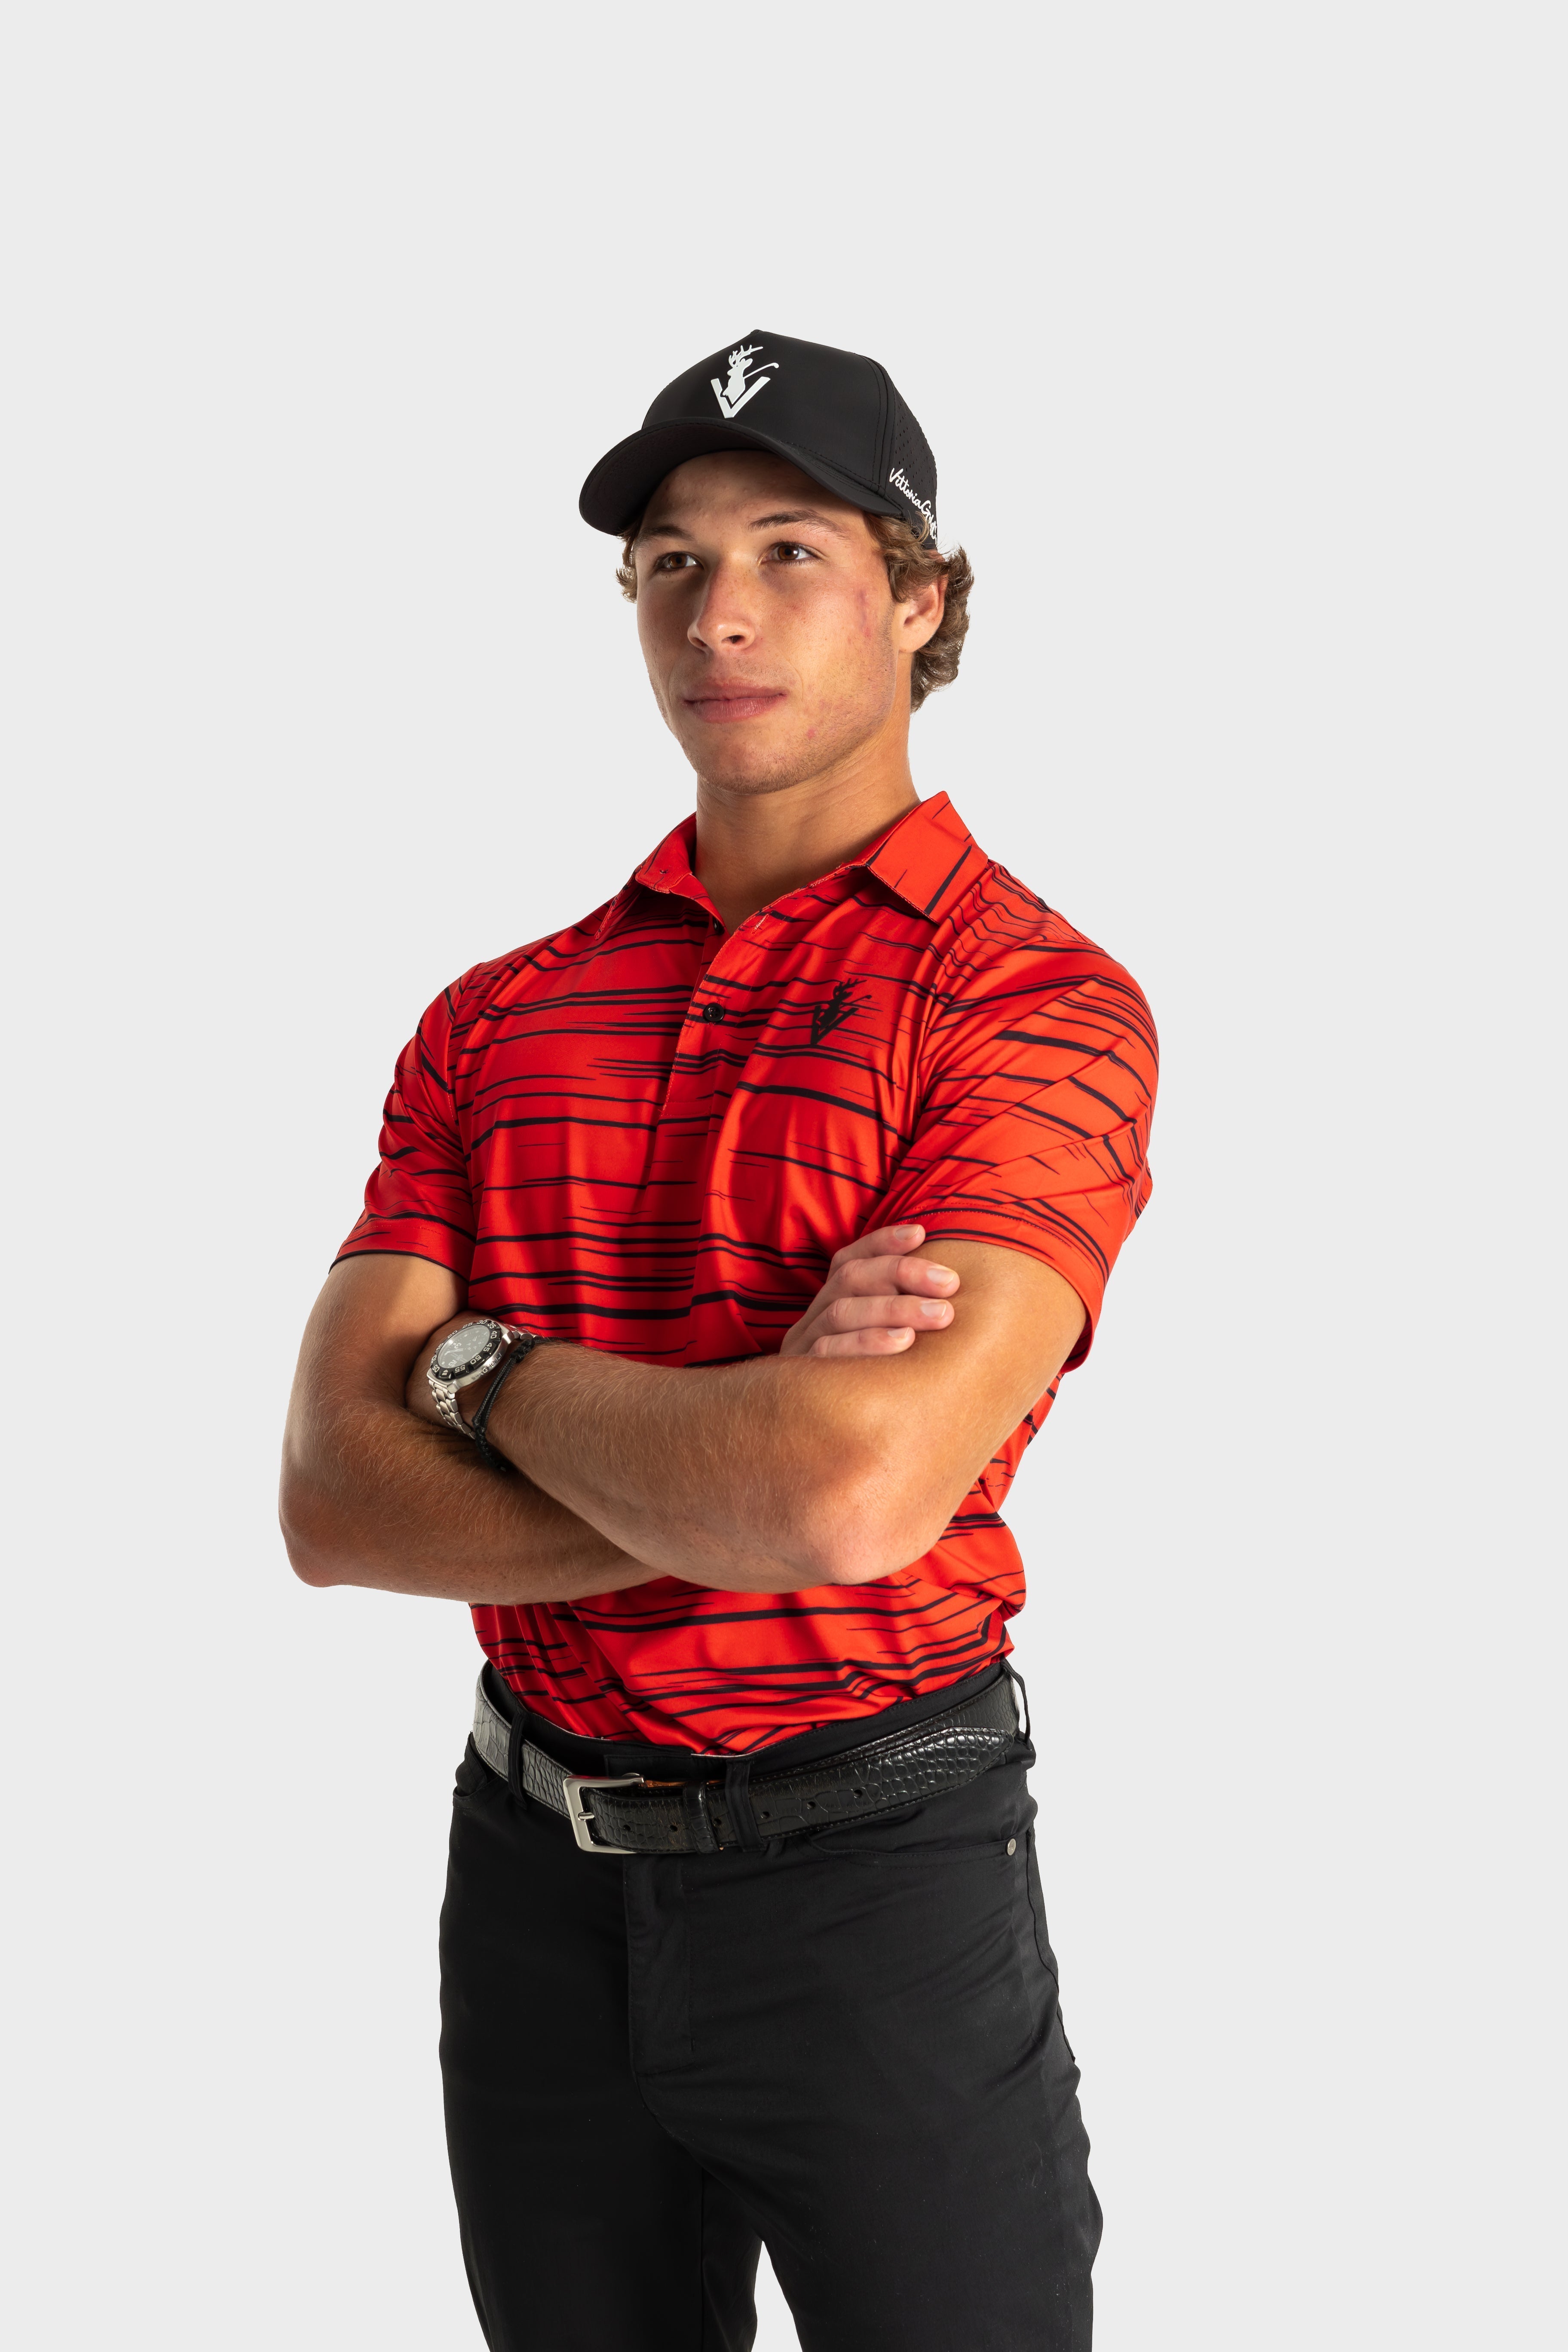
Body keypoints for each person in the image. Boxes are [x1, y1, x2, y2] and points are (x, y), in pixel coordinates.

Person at [281, 328, 1158, 2352]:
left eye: (790, 552)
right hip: (533, 1882)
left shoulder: (1029, 1004)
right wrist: (737, 1447)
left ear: (920, 599)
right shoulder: (496, 1018)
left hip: (876, 1877)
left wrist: (479, 1368)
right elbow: (332, 1502)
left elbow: (848, 1500)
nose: (720, 613)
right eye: (671, 563)